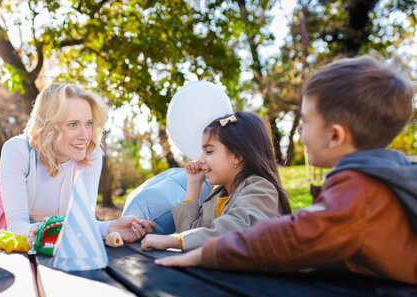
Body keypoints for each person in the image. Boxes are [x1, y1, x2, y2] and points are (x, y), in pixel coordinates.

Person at [156, 56, 417, 284]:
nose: (299, 130)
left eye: (305, 121)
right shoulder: (373, 180)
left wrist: (209, 253)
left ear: (335, 136)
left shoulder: (359, 191)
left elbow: (295, 238)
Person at [0, 83, 153, 247]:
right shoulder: (17, 150)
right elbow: (15, 225)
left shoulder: (92, 154)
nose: (85, 135)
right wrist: (41, 230)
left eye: (89, 123)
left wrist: (110, 227)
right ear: (48, 127)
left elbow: (82, 222)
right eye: (73, 124)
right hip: (17, 243)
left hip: (62, 247)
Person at [140, 112, 291, 252]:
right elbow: (188, 234)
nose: (200, 160)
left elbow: (231, 233)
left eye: (209, 151)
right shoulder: (218, 196)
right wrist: (194, 185)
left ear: (237, 156)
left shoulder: (260, 190)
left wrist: (171, 241)